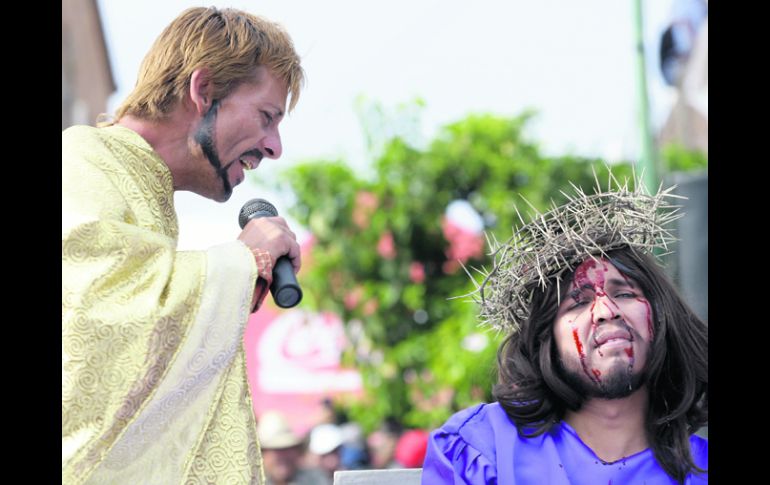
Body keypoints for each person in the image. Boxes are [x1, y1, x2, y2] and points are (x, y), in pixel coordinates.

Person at [62, 7, 304, 484]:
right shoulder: (81, 162)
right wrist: (245, 261)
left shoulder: (138, 183)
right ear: (203, 90)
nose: (274, 146)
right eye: (266, 116)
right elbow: (90, 319)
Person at [422, 176, 708, 484]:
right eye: (578, 302)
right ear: (547, 339)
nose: (606, 311)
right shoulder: (480, 450)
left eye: (624, 294)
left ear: (663, 316)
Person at [258, 411, 330, 485]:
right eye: (276, 450)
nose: (283, 456)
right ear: (262, 455)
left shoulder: (315, 479)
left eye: (287, 448)